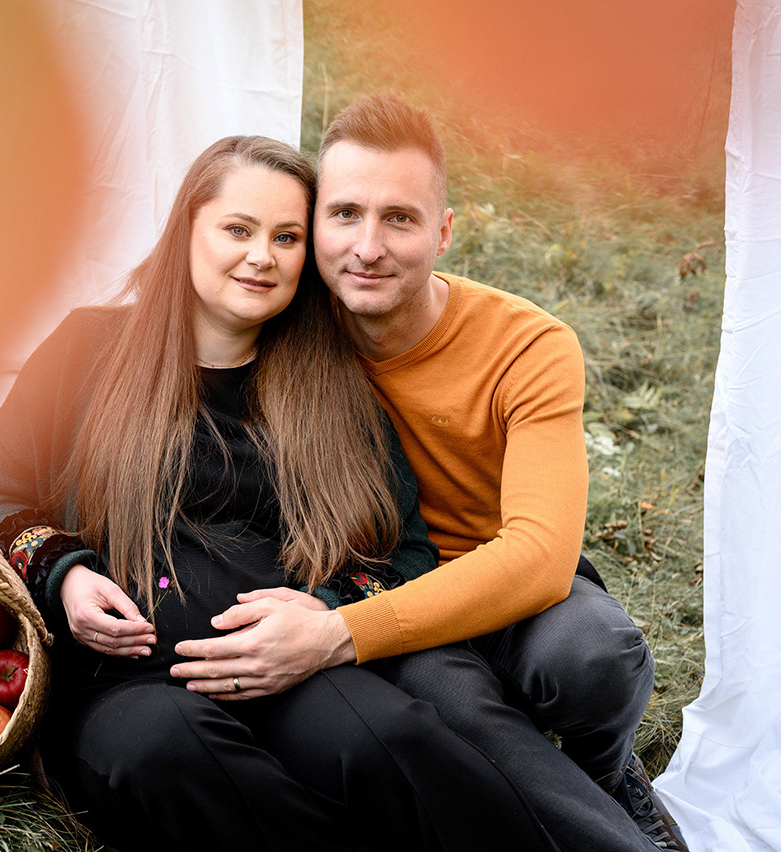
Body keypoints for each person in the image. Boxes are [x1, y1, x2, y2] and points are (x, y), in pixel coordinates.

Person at [0, 135, 559, 852]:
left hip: (287, 671)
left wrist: (326, 613)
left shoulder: (329, 386)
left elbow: (404, 555)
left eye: (286, 237)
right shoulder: (86, 350)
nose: (261, 257)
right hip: (123, 684)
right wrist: (66, 575)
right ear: (188, 229)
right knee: (169, 752)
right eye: (238, 229)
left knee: (389, 740)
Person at [167, 97, 691, 852]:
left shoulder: (528, 346)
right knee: (459, 712)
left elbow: (540, 557)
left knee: (595, 654)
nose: (368, 247)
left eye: (400, 220)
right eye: (344, 215)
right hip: (383, 583)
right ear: (314, 225)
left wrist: (338, 633)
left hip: (511, 594)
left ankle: (607, 773)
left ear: (443, 232)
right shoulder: (284, 330)